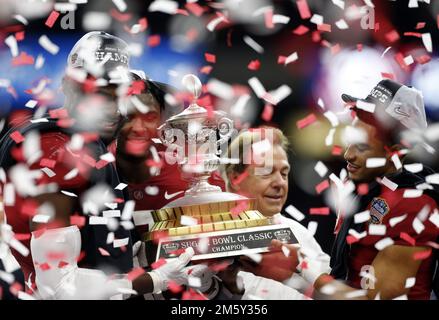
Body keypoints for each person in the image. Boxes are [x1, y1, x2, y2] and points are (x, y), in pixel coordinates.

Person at [0, 32, 199, 299]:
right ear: (69, 86)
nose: (113, 108)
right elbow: (57, 287)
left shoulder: (82, 142)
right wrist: (152, 280)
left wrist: (128, 262)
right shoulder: (58, 154)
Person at [284, 79, 439, 299]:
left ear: (395, 151)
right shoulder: (365, 186)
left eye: (362, 146)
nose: (348, 155)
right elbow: (348, 276)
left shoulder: (413, 205)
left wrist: (303, 272)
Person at [112, 70, 224, 299]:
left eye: (149, 116)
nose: (138, 127)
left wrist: (212, 285)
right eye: (128, 115)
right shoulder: (92, 170)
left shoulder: (194, 172)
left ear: (163, 122)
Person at [219, 127, 331, 299]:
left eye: (284, 173)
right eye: (266, 172)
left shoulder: (301, 236)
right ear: (235, 178)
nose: (280, 182)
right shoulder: (206, 238)